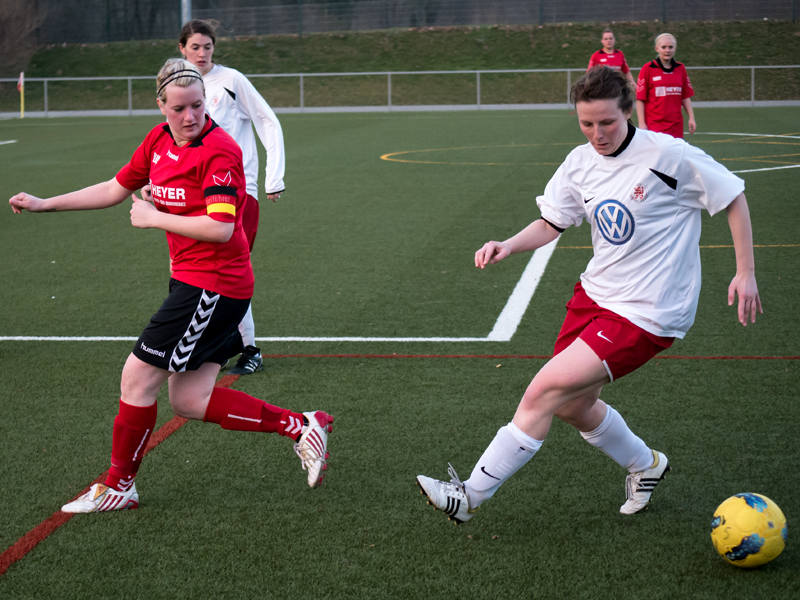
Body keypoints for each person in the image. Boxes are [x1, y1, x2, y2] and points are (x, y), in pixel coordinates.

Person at [415, 66, 761, 524]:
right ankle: (646, 465)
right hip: (595, 295)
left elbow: (733, 196)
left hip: (647, 312)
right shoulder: (580, 162)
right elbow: (553, 222)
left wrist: (746, 272)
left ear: (629, 112)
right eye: (586, 123)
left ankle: (470, 496)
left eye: (607, 123)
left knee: (542, 390)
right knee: (573, 406)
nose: (597, 134)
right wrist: (508, 245)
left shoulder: (669, 155)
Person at [9, 59, 331, 514]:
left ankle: (119, 485)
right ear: (161, 106)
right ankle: (301, 426)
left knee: (137, 378)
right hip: (197, 283)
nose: (190, 115)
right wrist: (46, 204)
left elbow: (221, 227)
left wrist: (153, 216)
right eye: (179, 107)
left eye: (197, 105)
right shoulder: (158, 141)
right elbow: (115, 188)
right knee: (189, 399)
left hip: (214, 286)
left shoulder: (218, 150)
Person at [179, 19, 286, 376]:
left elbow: (268, 121)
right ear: (182, 49)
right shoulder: (181, 88)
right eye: (195, 47)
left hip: (238, 191)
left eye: (207, 47)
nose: (202, 53)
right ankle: (220, 345)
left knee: (231, 268)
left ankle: (249, 348)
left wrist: (274, 177)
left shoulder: (231, 81)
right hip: (196, 193)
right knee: (201, 269)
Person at [636, 33, 696, 138]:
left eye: (670, 47)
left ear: (675, 49)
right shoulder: (648, 69)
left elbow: (685, 97)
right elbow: (640, 99)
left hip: (676, 126)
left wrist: (691, 118)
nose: (667, 50)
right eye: (663, 47)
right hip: (655, 126)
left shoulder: (680, 68)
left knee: (675, 154)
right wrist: (642, 123)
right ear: (657, 49)